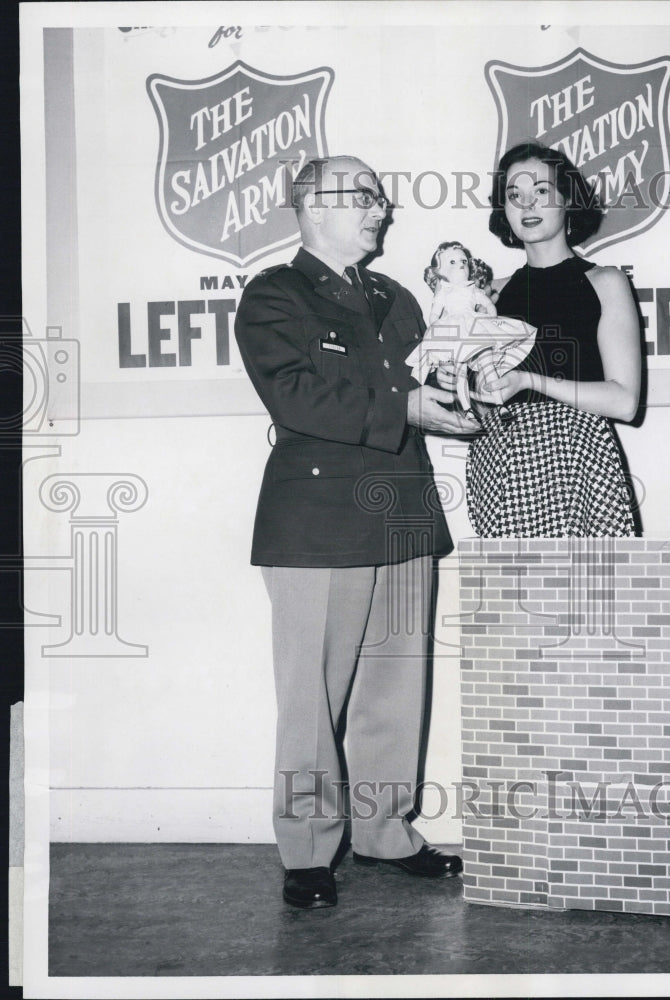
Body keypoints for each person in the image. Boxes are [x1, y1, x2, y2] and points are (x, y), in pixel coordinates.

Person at [234, 156, 477, 909]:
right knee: (313, 695)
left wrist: (472, 383)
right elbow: (298, 397)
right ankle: (307, 849)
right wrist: (407, 410)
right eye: (363, 196)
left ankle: (384, 831)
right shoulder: (274, 295)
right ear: (309, 205)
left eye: (381, 195)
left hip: (403, 511)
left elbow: (424, 382)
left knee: (395, 687)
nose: (381, 209)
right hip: (317, 521)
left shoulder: (397, 297)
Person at [463, 142, 641, 537]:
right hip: (503, 462)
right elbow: (473, 407)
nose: (527, 205)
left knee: (591, 597)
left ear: (567, 199)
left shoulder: (605, 283)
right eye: (514, 195)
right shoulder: (489, 296)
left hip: (579, 460)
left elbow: (625, 401)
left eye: (541, 191)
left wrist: (529, 382)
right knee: (511, 598)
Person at [404, 241, 536, 420]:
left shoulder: (472, 290)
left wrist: (491, 321)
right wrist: (436, 335)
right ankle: (467, 410)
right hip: (455, 331)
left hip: (475, 326)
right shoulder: (444, 292)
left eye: (463, 261)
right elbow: (434, 316)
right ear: (439, 271)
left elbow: (489, 305)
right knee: (460, 372)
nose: (460, 264)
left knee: (487, 364)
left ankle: (499, 404)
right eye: (452, 262)